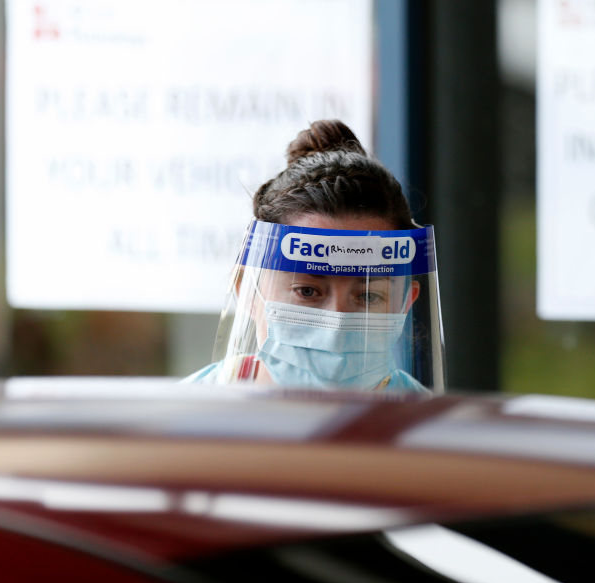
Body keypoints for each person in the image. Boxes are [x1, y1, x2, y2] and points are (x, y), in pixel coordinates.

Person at [184, 120, 445, 391]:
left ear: (406, 303)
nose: (336, 329)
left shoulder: (430, 429)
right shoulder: (183, 420)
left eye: (368, 296)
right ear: (248, 291)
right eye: (307, 291)